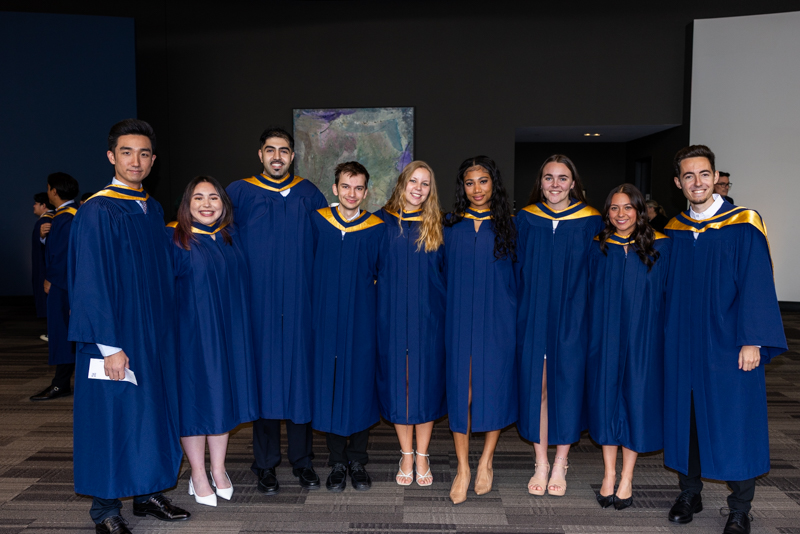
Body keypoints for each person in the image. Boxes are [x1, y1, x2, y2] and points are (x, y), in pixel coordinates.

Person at [68, 119, 189, 534]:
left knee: (151, 413)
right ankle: (105, 510)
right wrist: (108, 345)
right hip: (115, 334)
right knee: (112, 416)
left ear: (153, 160)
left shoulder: (151, 208)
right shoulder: (99, 209)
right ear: (110, 156)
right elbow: (89, 282)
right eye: (126, 152)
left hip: (153, 333)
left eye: (143, 154)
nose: (135, 161)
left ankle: (146, 492)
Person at [663, 145, 786, 534]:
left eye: (703, 174)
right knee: (688, 418)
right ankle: (690, 492)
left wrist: (753, 340)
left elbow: (757, 285)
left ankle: (739, 506)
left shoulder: (744, 223)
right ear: (679, 182)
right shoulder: (674, 229)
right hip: (684, 342)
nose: (697, 182)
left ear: (715, 177)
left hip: (730, 343)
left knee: (736, 419)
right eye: (688, 176)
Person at [227, 127, 327, 495]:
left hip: (300, 306)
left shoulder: (308, 194)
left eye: (284, 151)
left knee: (300, 383)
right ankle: (265, 464)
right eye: (270, 150)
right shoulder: (239, 193)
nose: (277, 157)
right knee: (266, 384)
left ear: (292, 156)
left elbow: (325, 246)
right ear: (260, 155)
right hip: (260, 307)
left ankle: (302, 461)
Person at [515, 155, 603, 497]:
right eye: (548, 178)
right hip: (534, 316)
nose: (555, 185)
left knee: (566, 387)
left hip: (574, 316)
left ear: (573, 183)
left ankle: (561, 462)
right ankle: (540, 460)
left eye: (562, 178)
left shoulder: (591, 220)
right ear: (540, 182)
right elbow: (516, 270)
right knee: (538, 387)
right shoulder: (526, 219)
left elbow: (599, 275)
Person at [168, 176, 259, 507]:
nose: (207, 204)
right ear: (187, 205)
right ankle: (197, 473)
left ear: (224, 205)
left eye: (213, 198)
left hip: (227, 334)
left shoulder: (230, 238)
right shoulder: (175, 240)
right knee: (195, 403)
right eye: (198, 199)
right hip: (192, 337)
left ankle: (219, 469)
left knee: (221, 399)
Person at [586, 184, 670, 510]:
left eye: (628, 208)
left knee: (635, 400)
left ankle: (627, 477)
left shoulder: (662, 246)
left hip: (643, 337)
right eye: (614, 208)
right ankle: (609, 473)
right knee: (607, 401)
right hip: (605, 337)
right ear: (606, 212)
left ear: (640, 210)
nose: (621, 215)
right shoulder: (598, 247)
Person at [444, 156, 517, 505]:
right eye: (470, 182)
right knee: (464, 393)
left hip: (498, 321)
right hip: (459, 321)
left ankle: (486, 461)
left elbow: (520, 280)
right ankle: (463, 467)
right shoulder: (449, 226)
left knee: (493, 390)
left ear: (493, 184)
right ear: (462, 187)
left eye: (483, 181)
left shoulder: (511, 226)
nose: (477, 189)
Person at [310, 161, 387, 492]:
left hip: (361, 319)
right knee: (330, 384)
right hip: (325, 318)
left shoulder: (376, 228)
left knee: (358, 386)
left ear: (366, 192)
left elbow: (383, 275)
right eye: (346, 187)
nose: (351, 193)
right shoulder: (318, 222)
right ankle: (336, 460)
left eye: (358, 188)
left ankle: (358, 459)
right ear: (335, 189)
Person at [375, 161, 446, 487]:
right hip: (391, 318)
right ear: (402, 183)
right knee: (400, 384)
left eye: (425, 183)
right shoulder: (380, 222)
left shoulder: (439, 225)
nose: (418, 188)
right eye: (413, 181)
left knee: (425, 385)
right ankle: (406, 453)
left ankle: (423, 454)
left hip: (428, 318)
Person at [30, 173, 79, 401]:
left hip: (63, 285)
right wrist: (43, 237)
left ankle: (60, 384)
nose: (48, 192)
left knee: (63, 333)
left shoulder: (68, 217)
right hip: (65, 283)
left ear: (54, 192)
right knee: (64, 334)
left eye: (49, 188)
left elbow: (65, 255)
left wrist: (51, 277)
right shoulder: (63, 216)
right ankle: (60, 382)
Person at [31, 192, 54, 322]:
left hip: (45, 267)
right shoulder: (51, 218)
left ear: (43, 205)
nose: (33, 206)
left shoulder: (46, 220)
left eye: (36, 203)